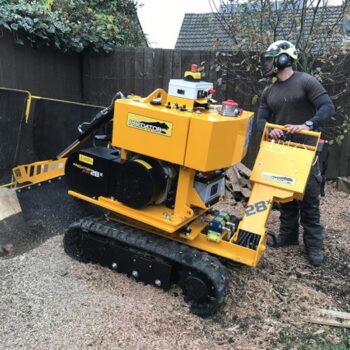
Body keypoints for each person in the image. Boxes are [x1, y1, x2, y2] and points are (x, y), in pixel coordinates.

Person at [257, 40, 335, 267]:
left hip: (306, 150)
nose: (268, 63)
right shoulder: (268, 91)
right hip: (282, 151)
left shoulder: (306, 81)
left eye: (271, 58)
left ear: (284, 59)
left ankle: (314, 247)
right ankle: (288, 237)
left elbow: (327, 107)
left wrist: (309, 124)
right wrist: (270, 131)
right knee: (286, 197)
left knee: (309, 201)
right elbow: (261, 119)